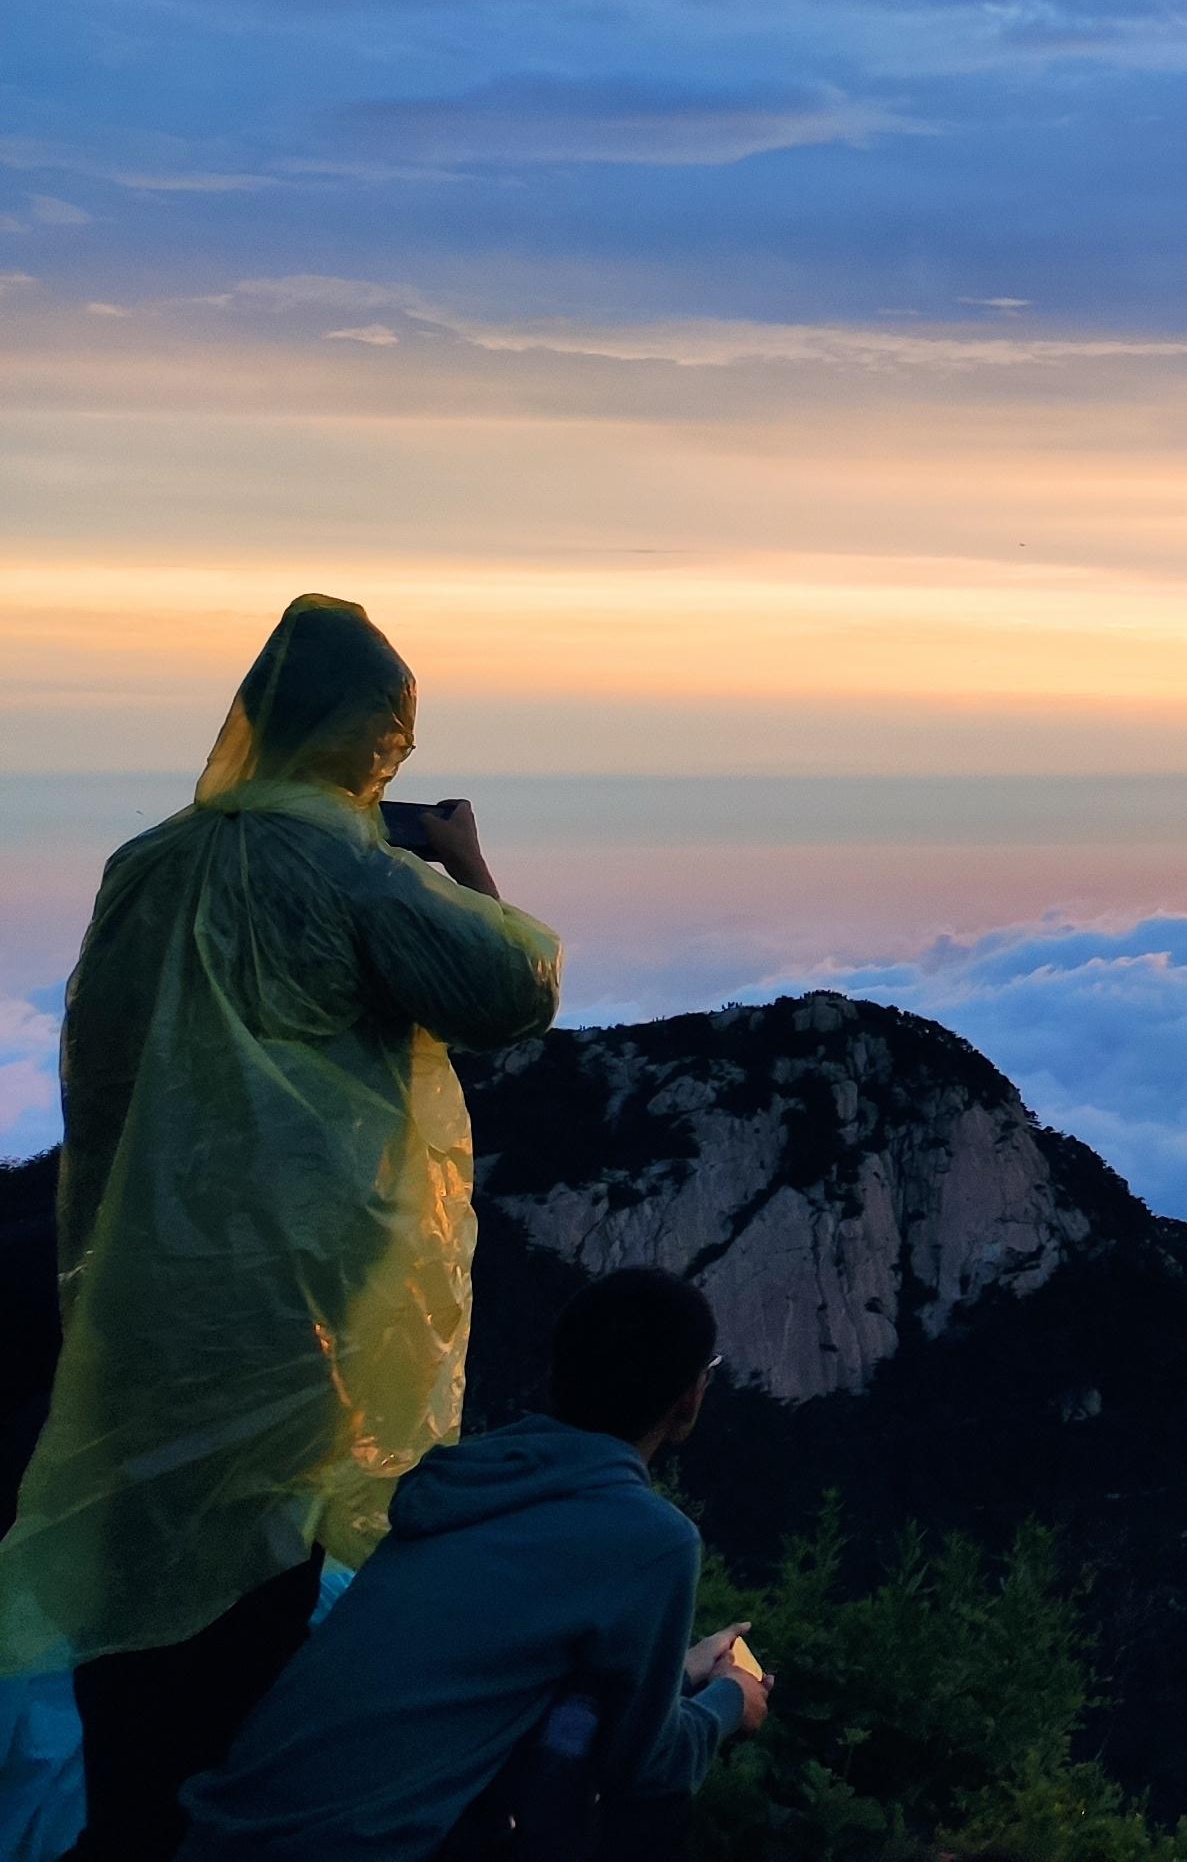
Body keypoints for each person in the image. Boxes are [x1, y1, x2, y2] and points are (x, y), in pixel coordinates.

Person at [0, 599, 563, 1861]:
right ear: (372, 739)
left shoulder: (143, 864)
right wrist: (458, 862)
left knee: (143, 1544)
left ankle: (132, 1807)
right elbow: (513, 992)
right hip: (296, 1288)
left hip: (140, 1272)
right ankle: (224, 1817)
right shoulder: (350, 869)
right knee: (262, 1561)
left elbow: (98, 1065)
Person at [173, 1270, 769, 1862]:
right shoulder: (651, 1540)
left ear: (559, 1371)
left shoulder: (464, 1482)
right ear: (689, 1398)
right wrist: (731, 1701)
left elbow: (493, 1652)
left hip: (217, 1827)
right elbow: (646, 1766)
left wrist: (684, 1670)